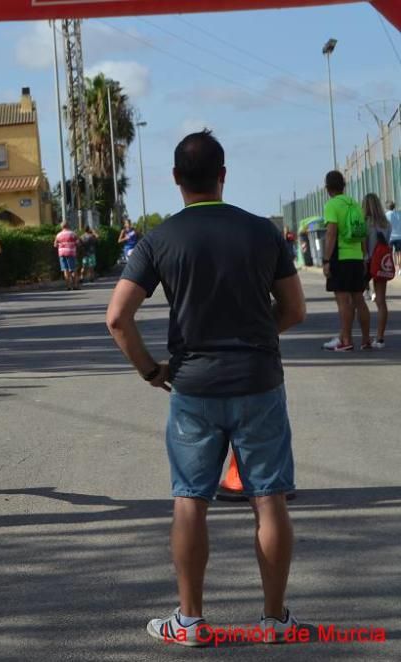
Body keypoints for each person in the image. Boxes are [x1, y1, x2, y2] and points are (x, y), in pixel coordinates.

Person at [106, 130, 306, 646]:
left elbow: (117, 317)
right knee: (269, 498)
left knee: (190, 499)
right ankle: (274, 620)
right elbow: (295, 310)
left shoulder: (159, 240)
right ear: (223, 175)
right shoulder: (262, 232)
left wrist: (152, 370)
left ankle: (190, 621)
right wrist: (256, 335)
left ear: (176, 179)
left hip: (192, 385)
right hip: (259, 380)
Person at [321, 171, 371, 351]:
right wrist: (364, 257)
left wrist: (326, 260)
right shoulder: (355, 203)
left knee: (343, 301)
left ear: (328, 188)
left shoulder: (332, 205)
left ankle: (346, 341)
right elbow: (362, 233)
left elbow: (331, 233)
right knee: (359, 299)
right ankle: (366, 339)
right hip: (357, 257)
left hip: (340, 258)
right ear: (343, 185)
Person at [363, 193, 391, 348]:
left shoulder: (366, 223)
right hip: (381, 263)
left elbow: (364, 245)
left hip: (368, 262)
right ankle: (380, 338)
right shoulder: (386, 224)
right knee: (381, 301)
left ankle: (364, 337)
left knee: (357, 300)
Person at [54, 221, 79, 291]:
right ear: (68, 226)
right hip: (71, 253)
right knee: (73, 269)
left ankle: (68, 286)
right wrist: (72, 244)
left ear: (61, 227)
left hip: (62, 253)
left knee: (65, 270)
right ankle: (75, 286)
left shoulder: (58, 235)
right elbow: (78, 243)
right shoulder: (73, 234)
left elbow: (55, 245)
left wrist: (61, 244)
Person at [387, 201, 401, 269]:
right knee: (399, 253)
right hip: (399, 236)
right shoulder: (399, 214)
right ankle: (400, 269)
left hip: (390, 237)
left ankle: (391, 268)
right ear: (394, 206)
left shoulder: (386, 215)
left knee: (389, 254)